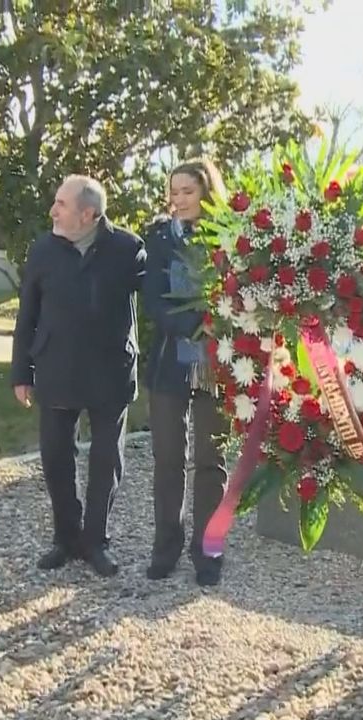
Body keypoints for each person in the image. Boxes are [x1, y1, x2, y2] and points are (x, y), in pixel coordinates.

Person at [12, 175, 146, 577]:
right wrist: (21, 371)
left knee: (106, 461)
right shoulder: (43, 250)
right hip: (57, 367)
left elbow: (157, 293)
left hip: (110, 371)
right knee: (56, 459)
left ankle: (95, 541)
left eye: (61, 204)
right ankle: (65, 539)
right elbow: (27, 315)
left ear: (88, 214)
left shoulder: (128, 248)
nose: (52, 211)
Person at [141, 158, 229, 587]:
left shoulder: (230, 238)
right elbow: (153, 300)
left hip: (218, 364)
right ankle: (166, 546)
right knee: (168, 458)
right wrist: (194, 324)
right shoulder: (158, 238)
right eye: (173, 192)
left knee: (211, 461)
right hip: (169, 362)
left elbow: (240, 293)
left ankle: (207, 550)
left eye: (187, 192)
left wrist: (218, 325)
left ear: (206, 193)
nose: (178, 201)